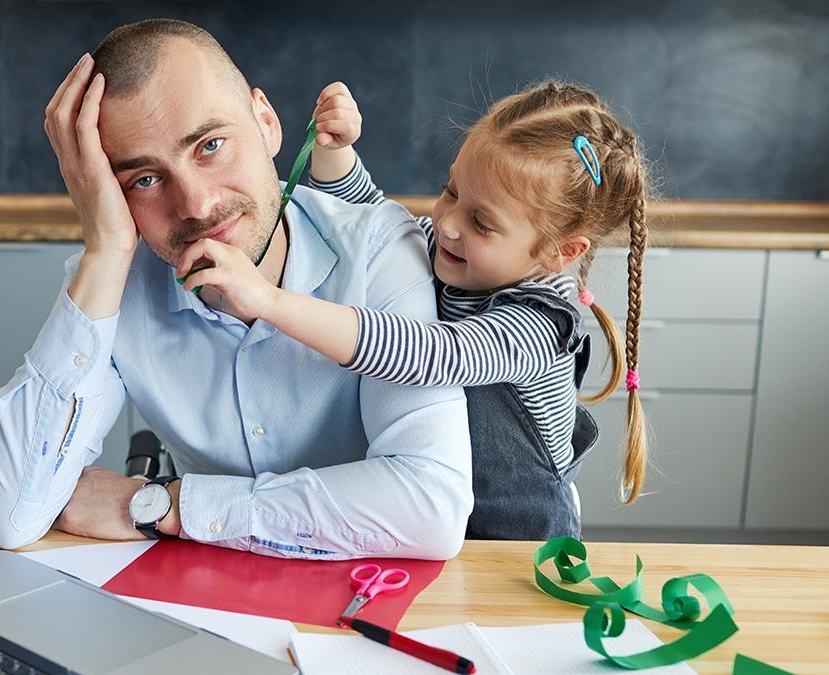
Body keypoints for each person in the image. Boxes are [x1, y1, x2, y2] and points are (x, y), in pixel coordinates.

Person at [0, 19, 472, 560]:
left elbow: (431, 508)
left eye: (210, 146)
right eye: (145, 180)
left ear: (267, 123)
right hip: (202, 610)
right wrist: (107, 250)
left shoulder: (379, 251)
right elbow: (5, 512)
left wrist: (170, 507)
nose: (198, 207)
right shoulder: (115, 281)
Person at [176, 80, 651, 539]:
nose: (447, 224)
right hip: (434, 527)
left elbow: (433, 354)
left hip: (519, 545)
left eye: (482, 222)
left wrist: (271, 302)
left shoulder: (541, 323)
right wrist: (335, 153)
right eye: (452, 192)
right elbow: (377, 227)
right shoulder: (455, 251)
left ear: (560, 253)